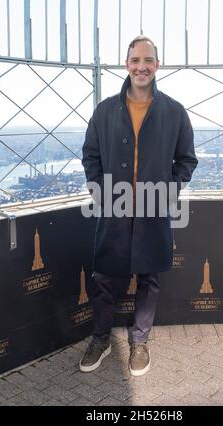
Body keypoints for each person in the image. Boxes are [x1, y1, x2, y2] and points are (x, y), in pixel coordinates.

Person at [81, 35, 198, 376]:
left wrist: (166, 192)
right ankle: (101, 339)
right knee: (105, 278)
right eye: (135, 60)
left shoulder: (174, 112)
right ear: (127, 64)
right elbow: (91, 156)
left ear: (157, 65)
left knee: (149, 279)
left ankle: (141, 341)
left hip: (153, 208)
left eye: (148, 60)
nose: (141, 66)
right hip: (113, 208)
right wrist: (101, 193)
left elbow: (187, 160)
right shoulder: (104, 110)